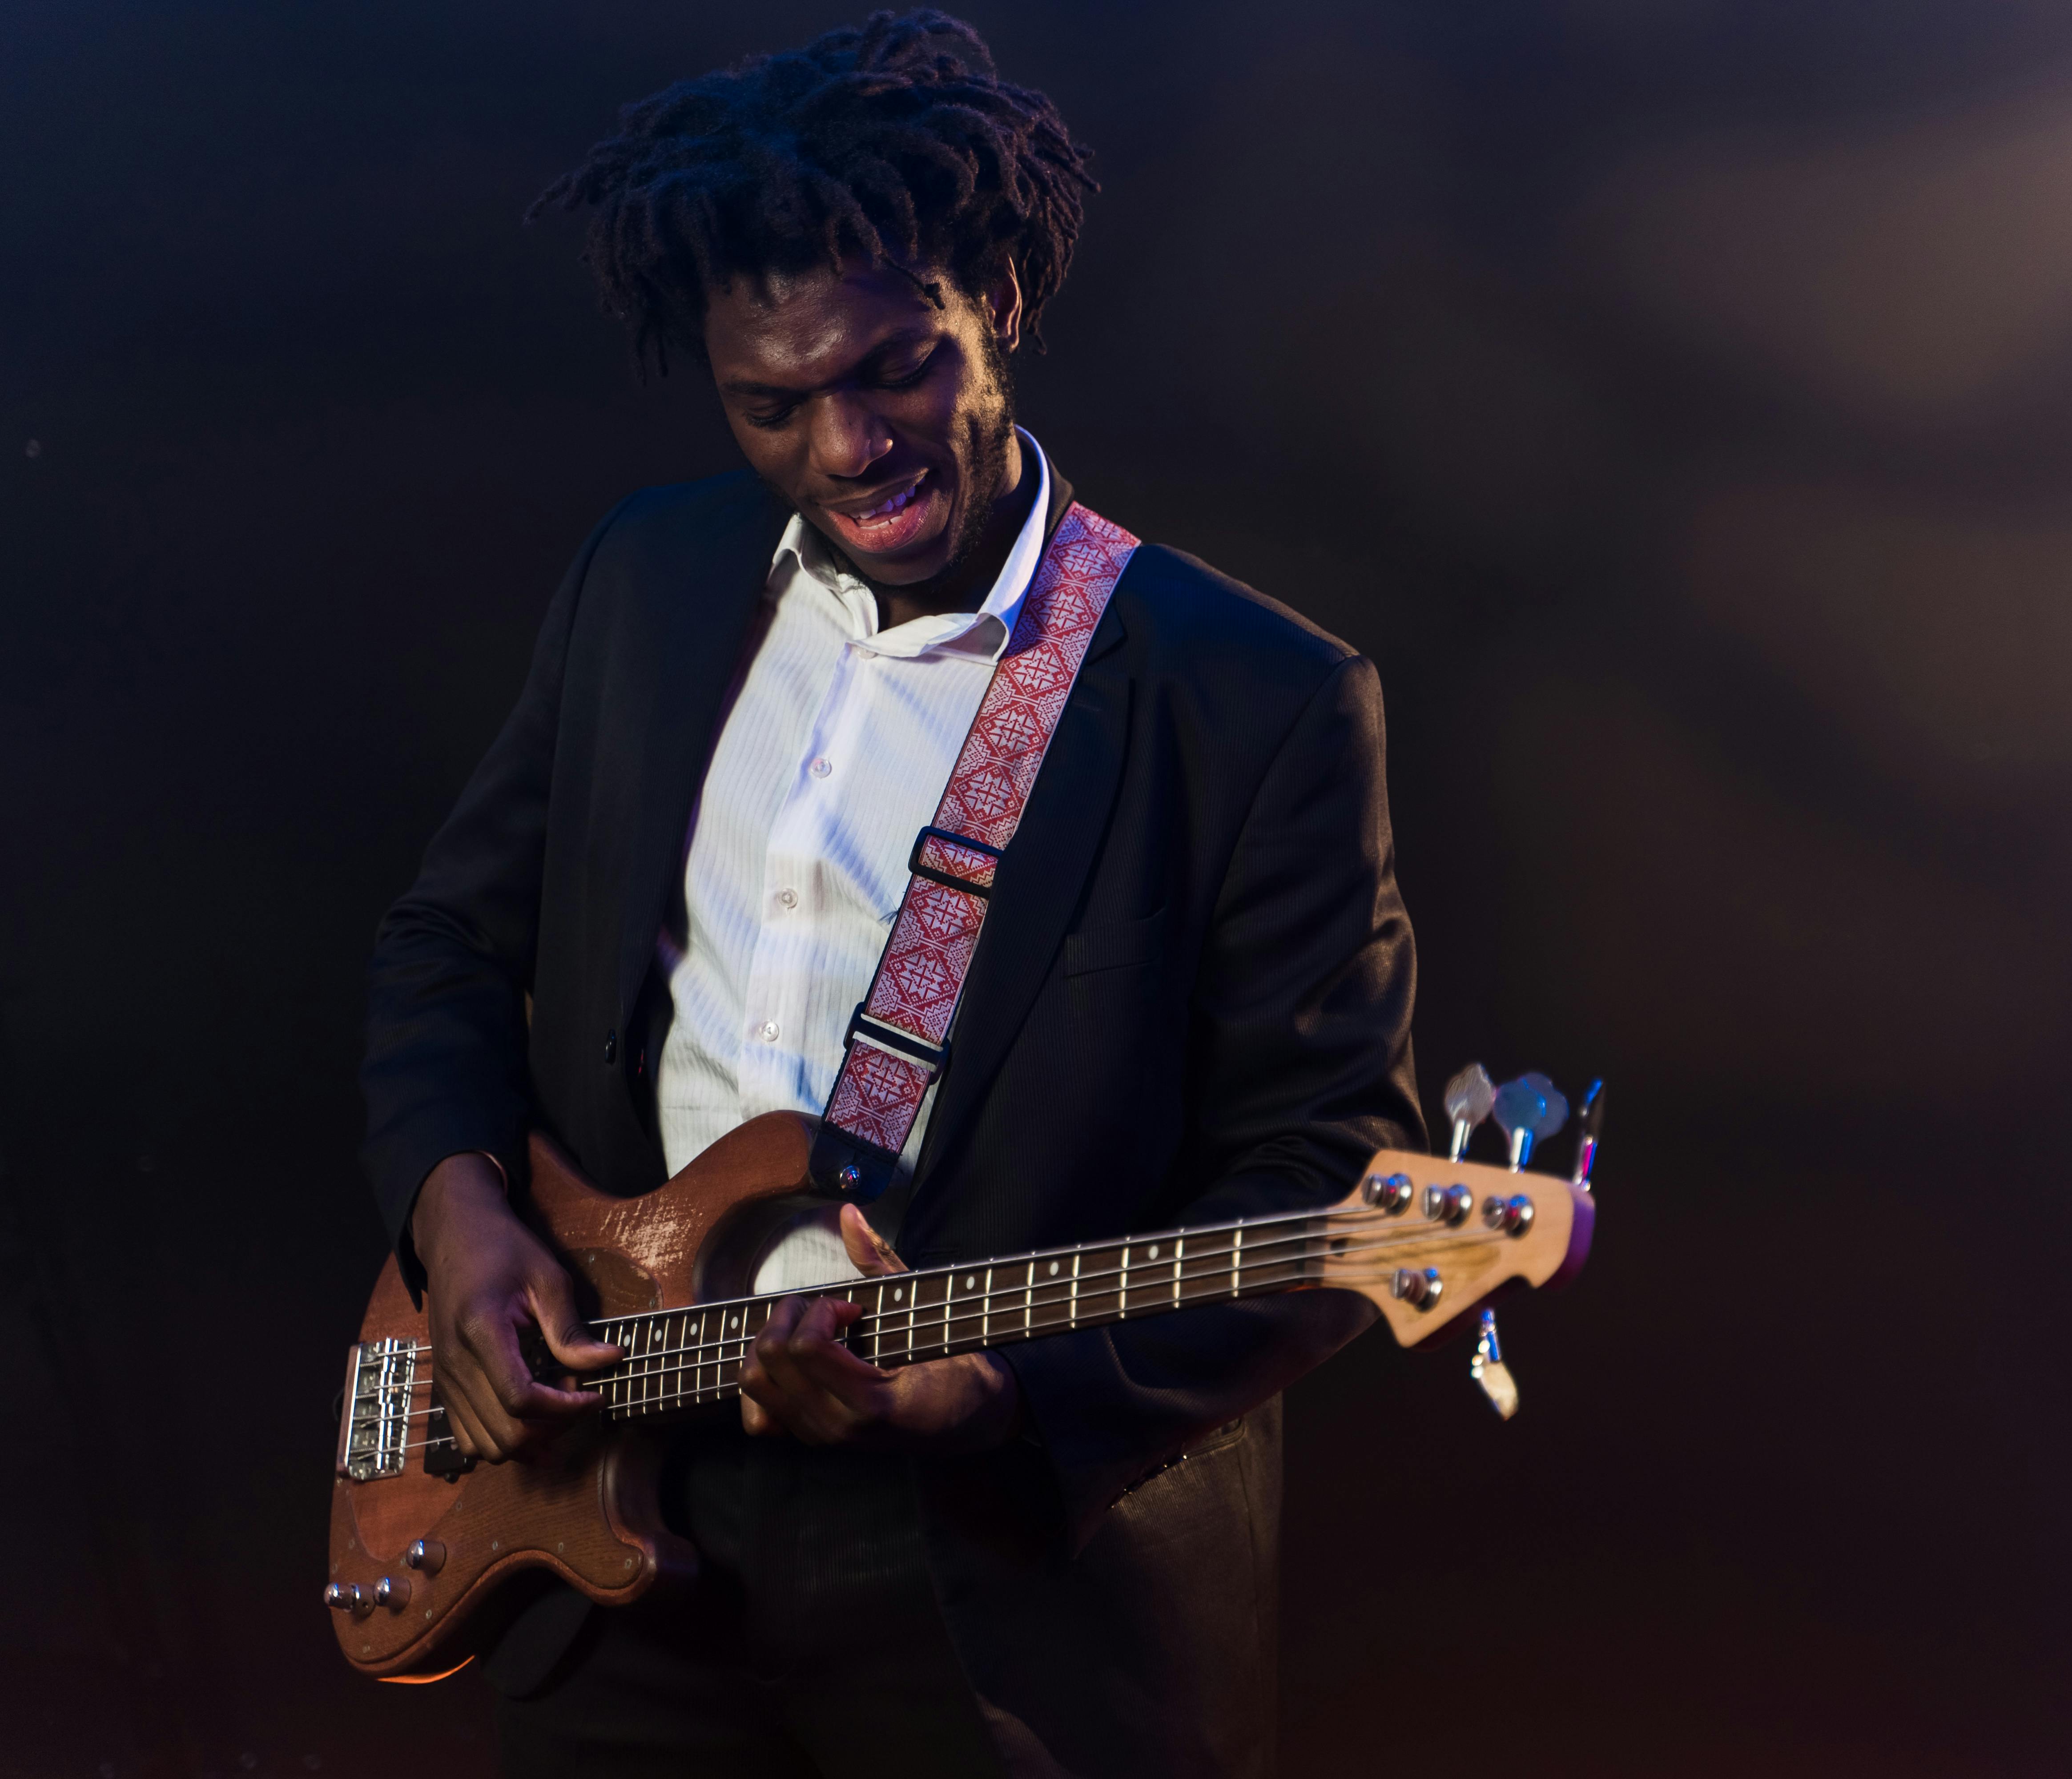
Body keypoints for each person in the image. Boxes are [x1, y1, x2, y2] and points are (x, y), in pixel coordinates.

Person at [360, 12, 1421, 1775]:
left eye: (897, 369)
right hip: (607, 1525)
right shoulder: (645, 579)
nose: (849, 448)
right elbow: (448, 945)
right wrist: (457, 1218)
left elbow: (1329, 1188)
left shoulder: (1254, 698)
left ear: (996, 294)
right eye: (774, 404)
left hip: (989, 1592)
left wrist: (991, 1390)